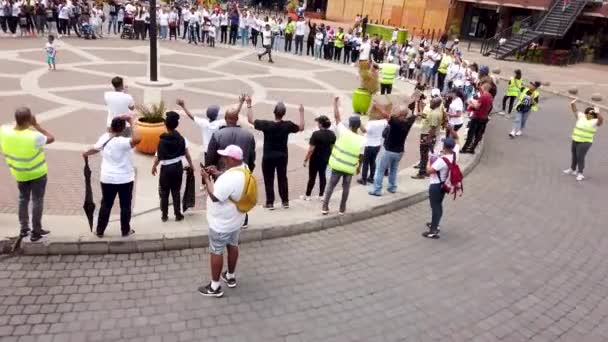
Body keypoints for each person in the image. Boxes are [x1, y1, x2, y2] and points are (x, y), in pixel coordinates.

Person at [198, 145, 248, 297]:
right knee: (233, 245)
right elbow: (230, 184)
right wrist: (218, 173)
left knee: (216, 251)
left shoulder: (229, 178)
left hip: (221, 223)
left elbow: (215, 196)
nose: (223, 159)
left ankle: (214, 287)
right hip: (236, 220)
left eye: (226, 157)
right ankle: (230, 276)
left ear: (233, 159)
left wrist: (207, 178)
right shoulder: (244, 169)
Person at [0, 107, 54, 241]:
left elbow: (10, 126)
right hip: (37, 173)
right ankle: (36, 231)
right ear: (29, 120)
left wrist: (22, 121)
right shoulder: (34, 136)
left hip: (19, 173)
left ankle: (24, 229)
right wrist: (36, 125)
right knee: (37, 200)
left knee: (23, 199)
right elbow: (51, 138)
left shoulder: (4, 131)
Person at [82, 116, 141, 238]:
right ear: (123, 128)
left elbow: (96, 148)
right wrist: (132, 121)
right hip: (125, 179)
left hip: (107, 179)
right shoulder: (123, 142)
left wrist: (86, 153)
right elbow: (137, 139)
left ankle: (100, 230)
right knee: (125, 205)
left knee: (106, 204)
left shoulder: (104, 138)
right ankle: (125, 230)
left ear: (112, 127)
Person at [248, 99, 304, 209]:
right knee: (282, 178)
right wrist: (301, 112)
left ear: (274, 112)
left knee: (268, 179)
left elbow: (250, 120)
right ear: (284, 114)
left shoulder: (267, 125)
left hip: (268, 157)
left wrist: (249, 105)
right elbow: (301, 127)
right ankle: (285, 201)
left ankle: (270, 203)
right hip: (282, 156)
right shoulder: (288, 125)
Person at [322, 97, 366, 215]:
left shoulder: (343, 131)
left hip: (337, 165)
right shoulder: (362, 140)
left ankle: (325, 206)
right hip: (349, 168)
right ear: (359, 126)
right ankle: (342, 208)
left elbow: (337, 117)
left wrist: (335, 103)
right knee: (346, 188)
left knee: (331, 185)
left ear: (350, 124)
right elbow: (361, 157)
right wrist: (358, 168)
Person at [151, 112, 193, 222]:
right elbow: (187, 154)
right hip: (177, 167)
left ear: (166, 125)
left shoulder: (162, 141)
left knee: (164, 192)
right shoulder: (182, 139)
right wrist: (191, 165)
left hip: (165, 169)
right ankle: (178, 214)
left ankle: (164, 215)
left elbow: (158, 157)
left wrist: (154, 166)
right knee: (176, 191)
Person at [369, 104, 416, 196]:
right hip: (400, 151)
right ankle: (392, 187)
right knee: (393, 169)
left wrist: (377, 106)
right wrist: (417, 103)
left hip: (389, 150)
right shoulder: (408, 122)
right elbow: (415, 114)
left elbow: (386, 115)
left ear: (400, 114)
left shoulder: (395, 122)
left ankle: (377, 190)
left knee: (380, 170)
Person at [422, 137, 457, 239]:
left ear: (445, 147)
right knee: (438, 205)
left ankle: (433, 230)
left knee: (435, 207)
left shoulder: (442, 160)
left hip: (436, 185)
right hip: (443, 184)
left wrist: (429, 159)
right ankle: (435, 223)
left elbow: (429, 171)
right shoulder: (453, 156)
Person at [563, 100, 603, 181]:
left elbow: (601, 120)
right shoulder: (582, 117)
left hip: (585, 142)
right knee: (574, 155)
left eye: (591, 114)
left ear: (593, 115)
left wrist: (598, 112)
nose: (589, 115)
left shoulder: (595, 122)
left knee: (580, 157)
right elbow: (575, 110)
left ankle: (580, 173)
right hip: (575, 140)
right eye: (588, 113)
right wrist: (572, 103)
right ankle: (572, 169)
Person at [302, 115, 336, 201]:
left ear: (320, 124)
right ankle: (321, 195)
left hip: (315, 160)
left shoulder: (316, 134)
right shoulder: (332, 134)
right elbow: (332, 147)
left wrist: (305, 160)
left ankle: (307, 195)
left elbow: (311, 150)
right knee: (322, 176)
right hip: (325, 159)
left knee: (312, 177)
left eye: (318, 122)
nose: (317, 123)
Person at [412, 96, 444, 179]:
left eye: (432, 102)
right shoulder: (435, 111)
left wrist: (428, 139)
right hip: (429, 135)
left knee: (424, 154)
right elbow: (429, 119)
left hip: (427, 135)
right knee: (426, 154)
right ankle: (425, 170)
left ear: (436, 104)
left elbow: (433, 128)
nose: (430, 103)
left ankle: (421, 172)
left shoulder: (435, 113)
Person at [357, 105, 388, 186]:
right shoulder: (383, 122)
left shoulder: (371, 123)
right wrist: (379, 107)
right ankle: (371, 177)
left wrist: (359, 123)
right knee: (372, 161)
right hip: (377, 145)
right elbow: (386, 115)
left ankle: (363, 179)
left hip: (369, 145)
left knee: (365, 163)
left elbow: (364, 130)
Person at [462, 82, 493, 154]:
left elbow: (477, 106)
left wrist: (470, 103)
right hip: (484, 118)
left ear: (484, 87)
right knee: (478, 135)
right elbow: (490, 107)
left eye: (482, 86)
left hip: (477, 117)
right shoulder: (490, 96)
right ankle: (472, 149)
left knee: (471, 133)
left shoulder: (483, 96)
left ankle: (465, 148)